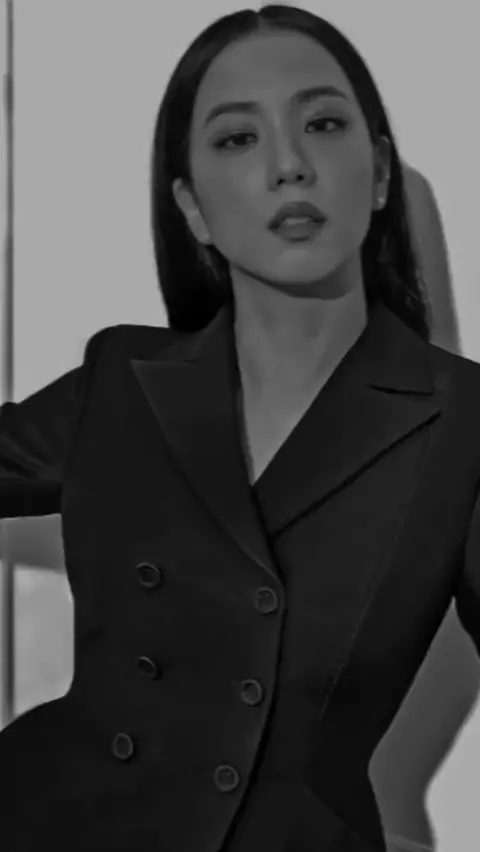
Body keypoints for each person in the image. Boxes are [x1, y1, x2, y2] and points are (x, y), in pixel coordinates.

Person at [0, 4, 477, 851]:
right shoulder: (122, 378)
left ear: (377, 173)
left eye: (322, 124)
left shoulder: (461, 420)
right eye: (237, 139)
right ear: (191, 207)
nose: (289, 166)